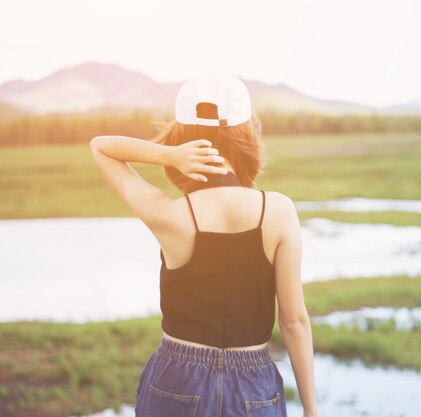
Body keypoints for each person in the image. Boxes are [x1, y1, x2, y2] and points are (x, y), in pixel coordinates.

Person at [90, 73, 317, 417]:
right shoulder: (279, 210)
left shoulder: (170, 213)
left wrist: (168, 155)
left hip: (176, 377)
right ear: (246, 135)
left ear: (181, 134)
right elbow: (294, 322)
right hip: (253, 382)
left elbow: (101, 147)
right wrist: (311, 411)